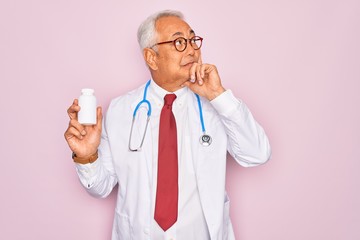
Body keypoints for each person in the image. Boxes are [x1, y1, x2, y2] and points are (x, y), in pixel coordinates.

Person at [64, 9, 271, 240]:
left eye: (193, 40)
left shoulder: (216, 106)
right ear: (151, 57)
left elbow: (257, 154)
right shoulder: (121, 109)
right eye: (179, 42)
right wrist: (87, 156)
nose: (192, 49)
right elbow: (100, 187)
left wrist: (218, 95)